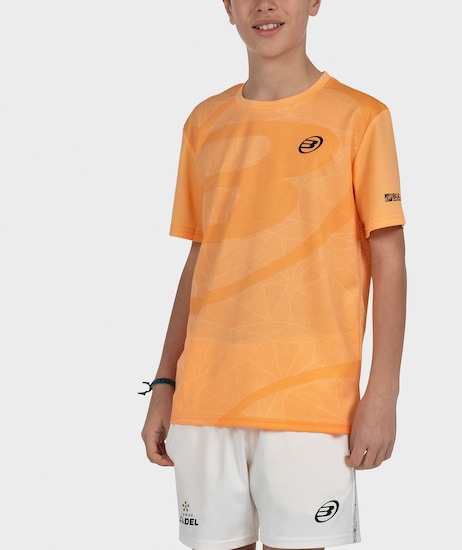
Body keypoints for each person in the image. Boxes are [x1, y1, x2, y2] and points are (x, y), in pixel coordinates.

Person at [141, 1, 407, 549]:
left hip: (310, 402)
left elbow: (389, 258)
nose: (265, 4)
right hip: (205, 397)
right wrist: (165, 383)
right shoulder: (204, 122)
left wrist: (383, 392)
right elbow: (199, 260)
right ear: (228, 7)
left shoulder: (360, 117)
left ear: (314, 2)